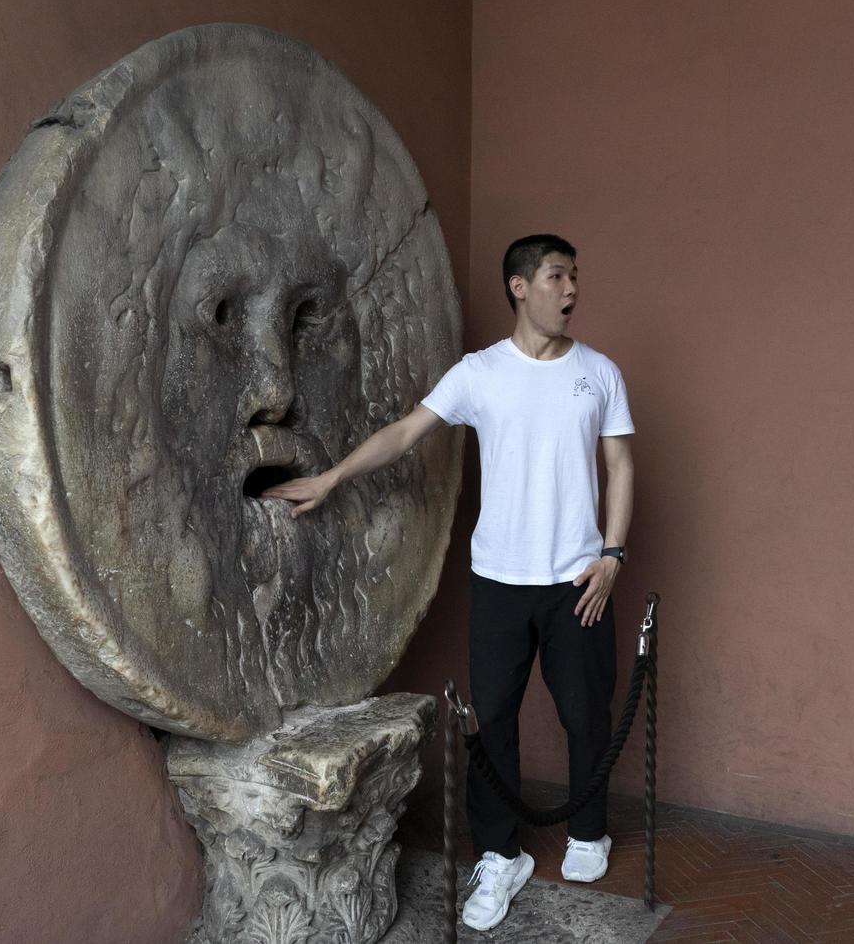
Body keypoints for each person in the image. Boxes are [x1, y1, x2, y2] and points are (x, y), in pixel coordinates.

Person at [263, 234, 634, 932]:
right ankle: (501, 855)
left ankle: (590, 830)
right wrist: (335, 476)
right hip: (499, 579)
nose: (572, 290)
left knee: (586, 713)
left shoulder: (599, 374)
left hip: (578, 578)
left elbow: (621, 465)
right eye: (558, 277)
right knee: (492, 724)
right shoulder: (480, 373)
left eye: (576, 277)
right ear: (520, 287)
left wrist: (612, 555)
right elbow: (406, 434)